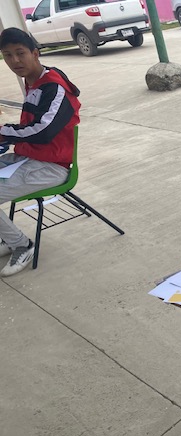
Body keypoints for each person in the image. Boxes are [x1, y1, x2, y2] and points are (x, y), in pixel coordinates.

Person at [0, 27, 80, 277]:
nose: (15, 60)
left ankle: (22, 245)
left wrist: (4, 132)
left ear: (35, 53)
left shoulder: (54, 87)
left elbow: (44, 131)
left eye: (20, 53)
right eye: (7, 55)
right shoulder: (32, 81)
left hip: (52, 167)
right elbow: (30, 129)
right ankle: (8, 237)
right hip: (29, 157)